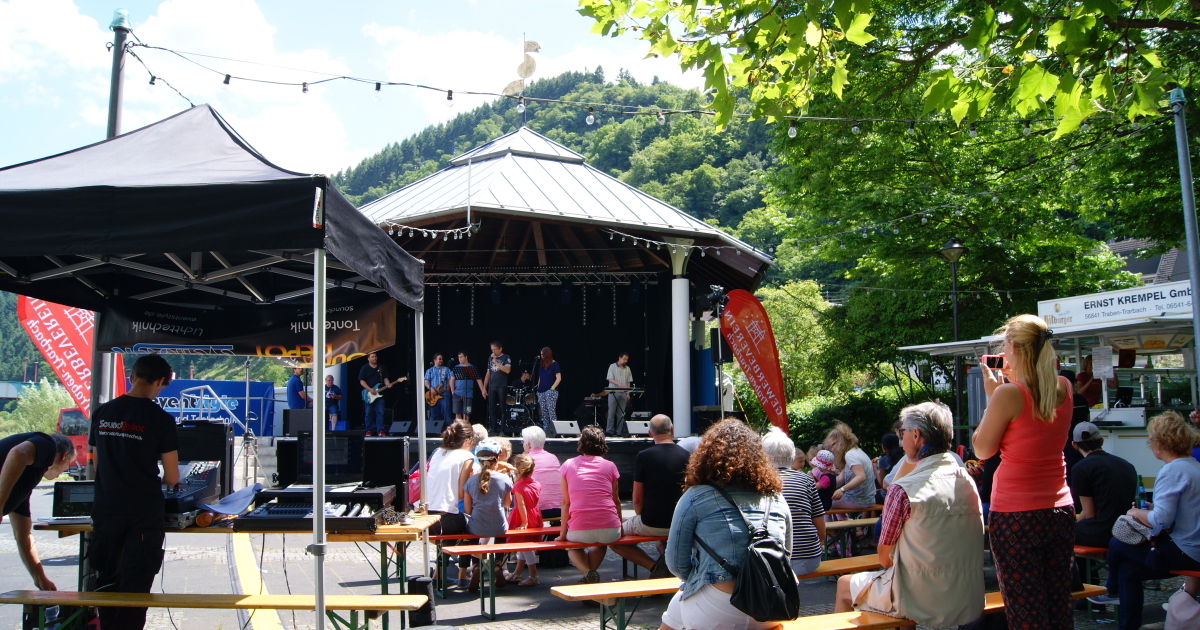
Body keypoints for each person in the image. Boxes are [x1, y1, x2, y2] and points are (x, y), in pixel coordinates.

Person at [835, 402, 985, 628]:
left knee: (845, 585)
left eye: (902, 433)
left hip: (917, 598)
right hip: (966, 596)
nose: (900, 440)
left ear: (916, 435)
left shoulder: (903, 490)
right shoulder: (967, 481)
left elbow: (884, 558)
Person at [973, 314, 1075, 630]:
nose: (1003, 351)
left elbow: (982, 450)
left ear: (1015, 347)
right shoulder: (1064, 387)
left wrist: (992, 399)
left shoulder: (1008, 394)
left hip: (1016, 513)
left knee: (1025, 612)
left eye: (1005, 344)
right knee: (1059, 605)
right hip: (1060, 508)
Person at [661, 418, 791, 630]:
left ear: (705, 456)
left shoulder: (695, 496)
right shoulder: (777, 498)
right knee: (678, 606)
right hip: (772, 602)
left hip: (718, 605)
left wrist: (699, 578)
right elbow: (785, 555)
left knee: (684, 596)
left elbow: (676, 562)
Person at [88, 353, 181, 630]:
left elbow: (96, 463)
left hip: (106, 509)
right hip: (143, 513)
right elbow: (173, 476)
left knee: (106, 581)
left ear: (132, 376)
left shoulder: (102, 412)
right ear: (161, 382)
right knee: (136, 587)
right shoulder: (161, 419)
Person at [1089, 411, 1200, 630]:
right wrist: (1152, 509)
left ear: (1159, 445)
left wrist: (1136, 514)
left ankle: (1111, 591)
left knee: (1116, 544)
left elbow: (1160, 521)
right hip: (1193, 548)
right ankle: (1119, 605)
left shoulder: (1172, 471)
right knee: (1128, 571)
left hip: (1185, 551)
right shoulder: (1194, 466)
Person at [611, 414, 690, 578]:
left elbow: (637, 498)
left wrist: (640, 517)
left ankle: (654, 567)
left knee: (613, 538)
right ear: (672, 430)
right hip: (681, 522)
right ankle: (667, 563)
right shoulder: (687, 456)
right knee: (661, 541)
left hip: (651, 521)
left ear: (650, 433)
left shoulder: (644, 456)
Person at [0, 431, 75, 590]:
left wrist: (40, 579)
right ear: (64, 456)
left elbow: (23, 536)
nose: (64, 471)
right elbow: (18, 453)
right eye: (70, 463)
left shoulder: (24, 478)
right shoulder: (47, 444)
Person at [557, 425, 622, 583]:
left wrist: (562, 534)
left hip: (580, 528)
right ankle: (589, 576)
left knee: (572, 547)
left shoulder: (568, 465)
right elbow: (617, 501)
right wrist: (621, 527)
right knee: (600, 543)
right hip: (611, 528)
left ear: (581, 443)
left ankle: (588, 573)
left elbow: (566, 503)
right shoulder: (610, 466)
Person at [762, 426, 826, 576]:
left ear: (763, 456)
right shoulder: (806, 480)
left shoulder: (759, 481)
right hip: (809, 559)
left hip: (771, 560)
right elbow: (820, 528)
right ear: (791, 456)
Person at [1069, 421, 1137, 548]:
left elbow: (1089, 513)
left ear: (1074, 445)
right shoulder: (1126, 465)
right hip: (1125, 530)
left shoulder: (1080, 468)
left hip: (1100, 533)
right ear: (1101, 440)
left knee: (1057, 532)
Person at [425, 422, 476, 588]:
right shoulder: (465, 457)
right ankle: (468, 571)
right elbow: (463, 493)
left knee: (455, 522)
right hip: (445, 521)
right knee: (473, 524)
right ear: (467, 441)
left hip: (427, 519)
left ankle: (438, 574)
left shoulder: (437, 452)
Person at [463, 439, 513, 591]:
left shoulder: (471, 481)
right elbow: (507, 504)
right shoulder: (504, 479)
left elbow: (467, 509)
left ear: (479, 458)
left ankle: (476, 565)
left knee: (470, 534)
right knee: (502, 532)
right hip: (498, 526)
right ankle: (498, 564)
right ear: (497, 459)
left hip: (478, 526)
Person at [505, 454, 543, 586]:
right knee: (523, 546)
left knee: (526, 547)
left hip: (523, 516)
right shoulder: (536, 484)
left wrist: (524, 522)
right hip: (535, 515)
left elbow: (521, 505)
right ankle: (517, 573)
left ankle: (533, 575)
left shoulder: (518, 486)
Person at [825, 422, 876, 510]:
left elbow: (861, 477)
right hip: (869, 500)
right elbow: (840, 479)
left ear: (841, 441)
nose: (832, 449)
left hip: (858, 501)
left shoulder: (850, 455)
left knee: (824, 504)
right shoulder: (857, 451)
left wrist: (842, 490)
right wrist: (821, 485)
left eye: (833, 445)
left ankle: (831, 524)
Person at [521, 426, 563, 520]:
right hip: (559, 509)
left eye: (523, 442)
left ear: (528, 445)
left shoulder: (526, 460)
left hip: (537, 510)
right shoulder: (553, 457)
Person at [358, 352, 394, 436]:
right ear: (368, 358)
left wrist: (388, 384)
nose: (375, 358)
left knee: (380, 412)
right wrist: (370, 389)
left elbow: (385, 378)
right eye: (372, 357)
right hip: (369, 394)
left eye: (375, 356)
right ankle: (368, 430)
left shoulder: (381, 368)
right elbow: (362, 381)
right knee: (368, 413)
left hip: (379, 394)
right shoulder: (365, 368)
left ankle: (380, 430)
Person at [481, 342, 512, 434]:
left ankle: (502, 430)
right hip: (492, 385)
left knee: (502, 408)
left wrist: (496, 362)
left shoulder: (506, 357)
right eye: (492, 349)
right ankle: (493, 429)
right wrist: (484, 388)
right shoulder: (489, 359)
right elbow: (488, 374)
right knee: (492, 408)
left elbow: (507, 370)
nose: (493, 351)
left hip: (501, 385)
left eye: (494, 349)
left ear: (500, 349)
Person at [449, 351, 485, 423]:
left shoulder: (472, 368)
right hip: (457, 393)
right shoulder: (456, 368)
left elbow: (478, 380)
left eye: (461, 357)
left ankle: (466, 430)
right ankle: (458, 429)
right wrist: (453, 392)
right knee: (458, 412)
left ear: (466, 357)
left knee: (466, 413)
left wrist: (483, 390)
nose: (460, 359)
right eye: (459, 357)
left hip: (468, 394)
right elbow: (451, 380)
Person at [535, 347, 562, 434]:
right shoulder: (542, 366)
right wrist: (538, 387)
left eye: (543, 354)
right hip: (541, 391)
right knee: (544, 412)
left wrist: (552, 388)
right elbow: (540, 378)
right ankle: (546, 431)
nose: (541, 356)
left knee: (551, 411)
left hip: (550, 391)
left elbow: (558, 378)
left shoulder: (554, 364)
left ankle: (554, 431)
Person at [605, 352, 632, 436]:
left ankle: (619, 431)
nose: (625, 361)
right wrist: (618, 384)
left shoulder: (627, 368)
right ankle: (610, 431)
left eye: (626, 360)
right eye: (624, 359)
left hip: (623, 393)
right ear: (619, 358)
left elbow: (628, 382)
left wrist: (628, 393)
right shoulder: (612, 366)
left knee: (621, 413)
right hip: (613, 392)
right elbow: (609, 379)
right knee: (611, 413)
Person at [424, 353, 453, 425]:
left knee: (447, 415)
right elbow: (426, 382)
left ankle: (450, 432)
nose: (441, 360)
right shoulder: (429, 371)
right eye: (439, 359)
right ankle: (433, 432)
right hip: (433, 396)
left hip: (444, 395)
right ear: (434, 360)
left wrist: (450, 386)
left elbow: (451, 380)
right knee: (433, 416)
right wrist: (431, 389)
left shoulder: (446, 370)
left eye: (442, 359)